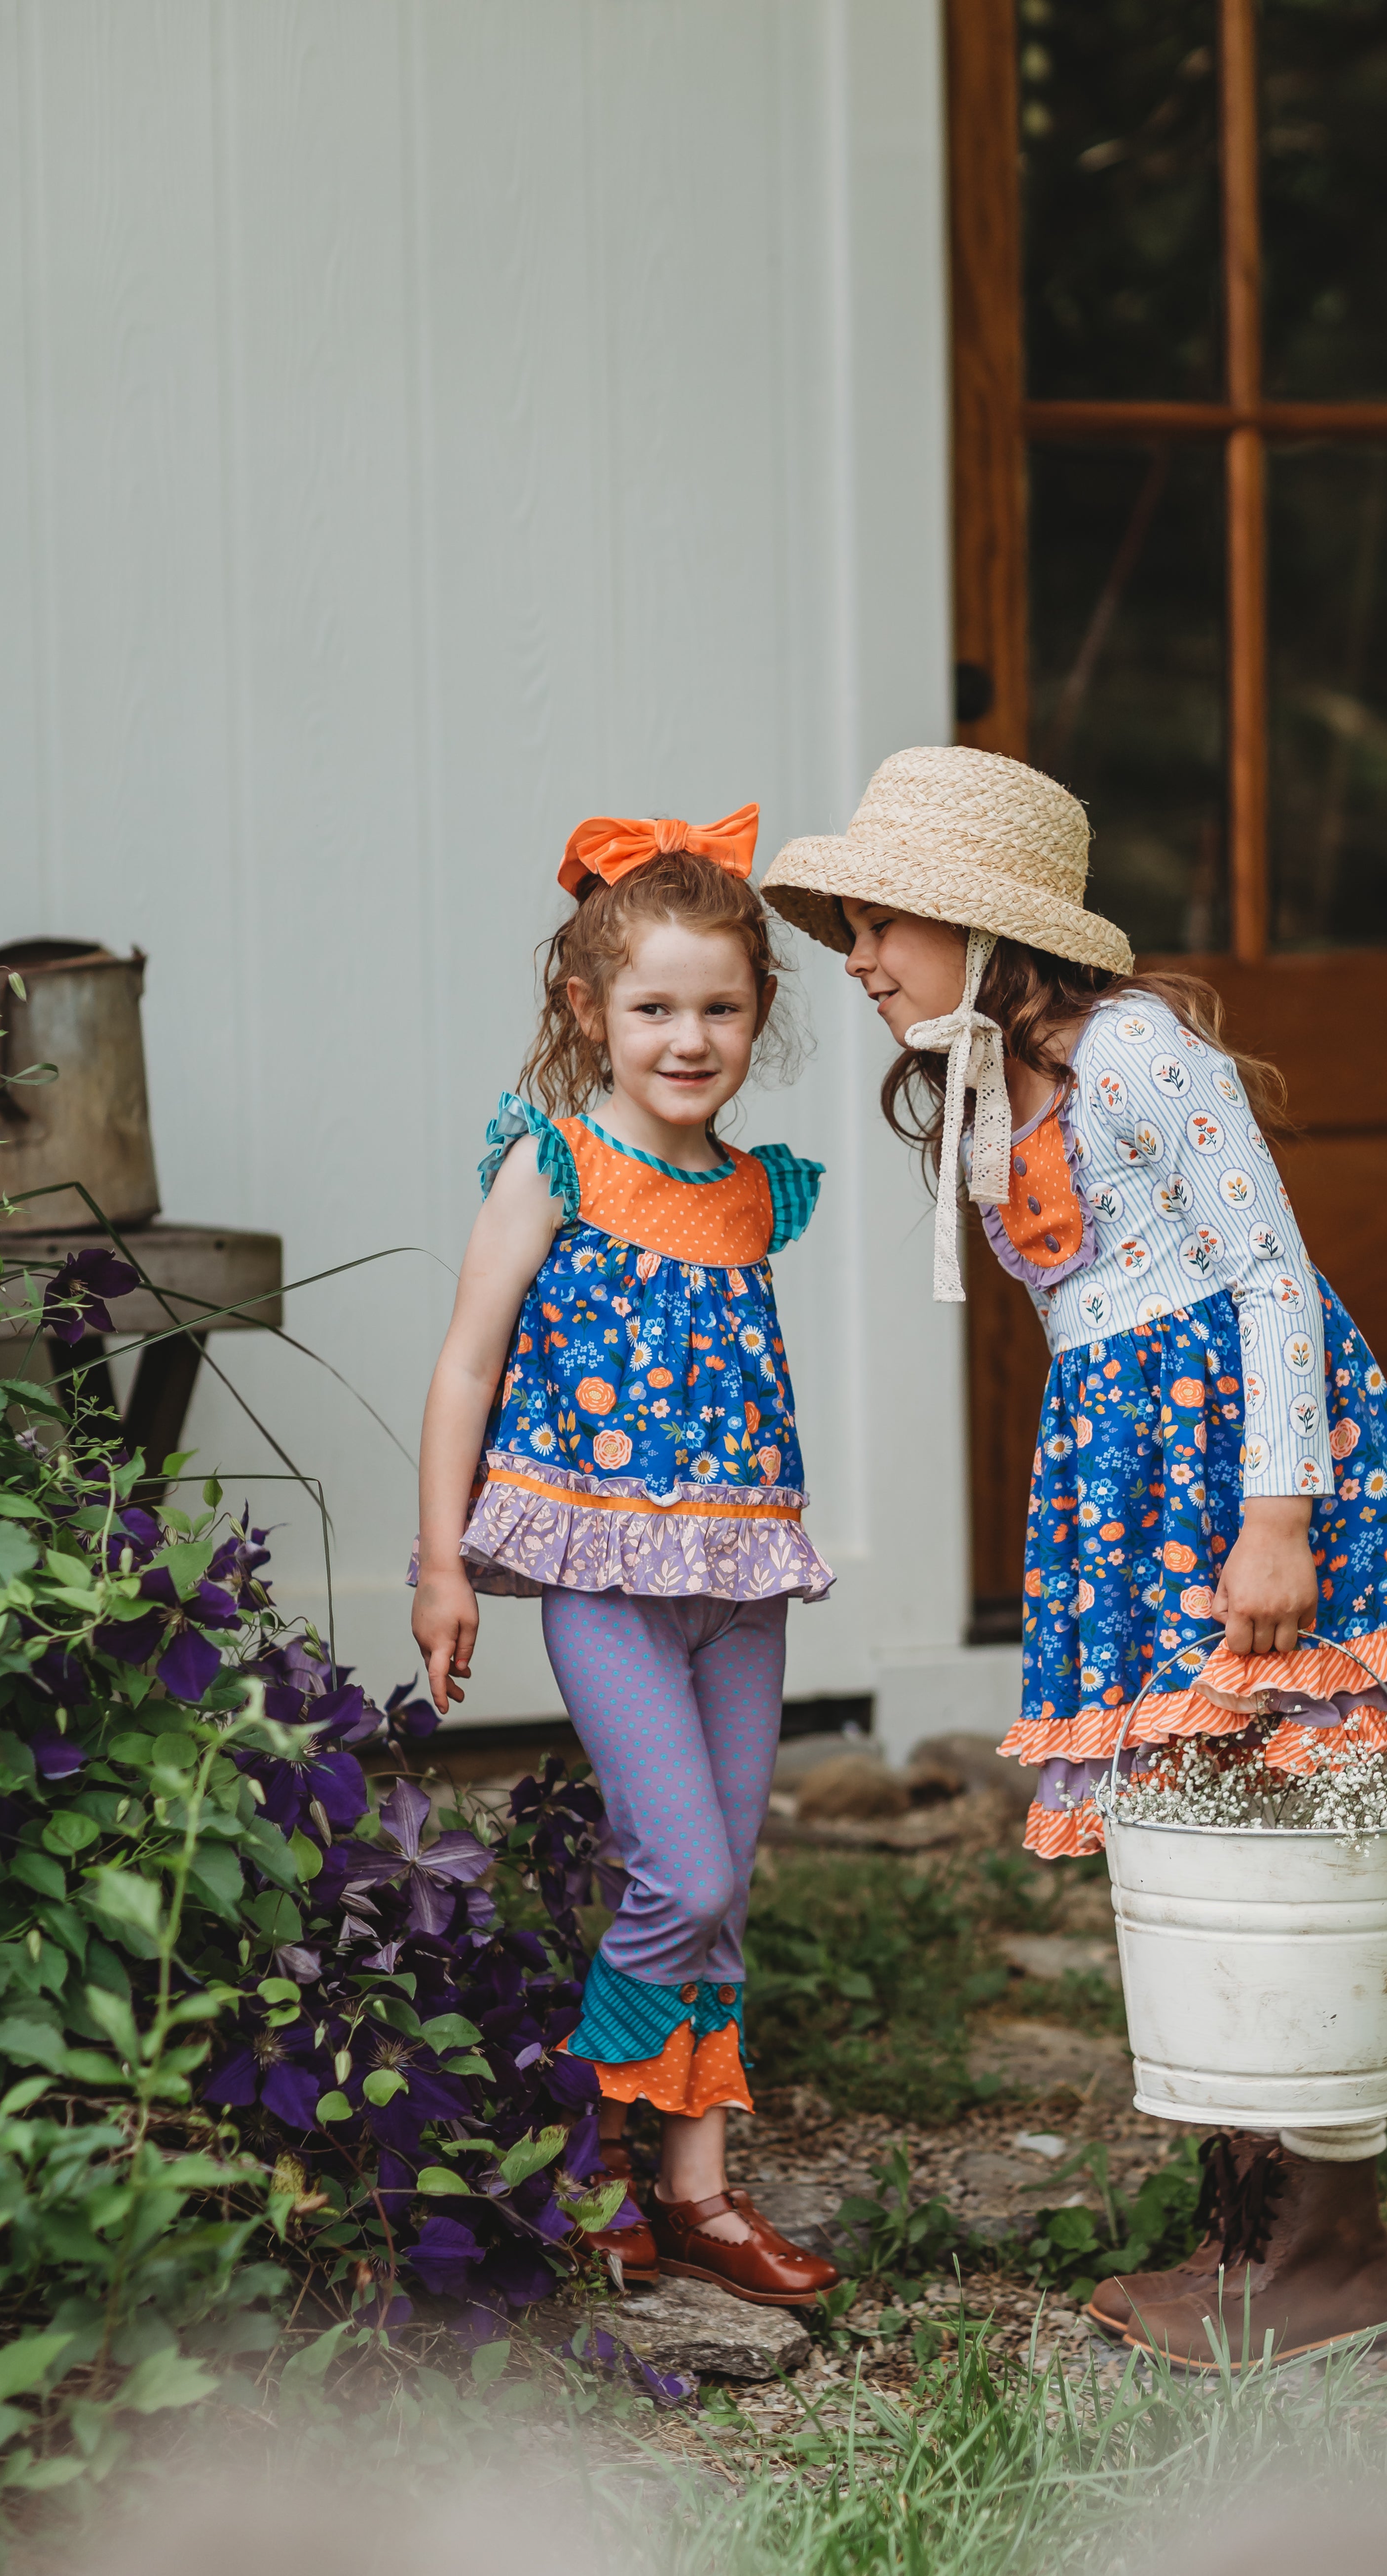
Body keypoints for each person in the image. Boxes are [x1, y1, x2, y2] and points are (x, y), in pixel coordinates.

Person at [761, 744, 1387, 2363]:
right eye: (849, 928)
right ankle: (1245, 2222)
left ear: (986, 926)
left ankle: (1330, 2241)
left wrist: (1275, 1516)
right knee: (1192, 1843)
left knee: (1300, 1820)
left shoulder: (1135, 1056)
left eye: (881, 921)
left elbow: (1273, 1278)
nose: (858, 956)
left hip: (1246, 1482)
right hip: (1121, 1497)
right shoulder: (976, 1098)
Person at [412, 804, 839, 2308]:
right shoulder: (555, 1161)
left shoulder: (751, 1191)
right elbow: (467, 1366)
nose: (689, 1036)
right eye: (654, 1006)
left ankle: (700, 2193)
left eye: (720, 1007)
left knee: (721, 1888)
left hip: (739, 1582)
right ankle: (594, 2152)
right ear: (589, 1009)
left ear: (758, 1017)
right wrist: (440, 1566)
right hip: (603, 1580)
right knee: (684, 1866)